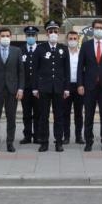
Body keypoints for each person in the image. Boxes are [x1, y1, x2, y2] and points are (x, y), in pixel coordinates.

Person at [32, 20, 70, 152]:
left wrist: (66, 88)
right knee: (44, 116)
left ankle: (58, 142)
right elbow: (35, 70)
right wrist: (35, 88)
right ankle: (44, 142)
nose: (53, 33)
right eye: (50, 31)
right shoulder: (40, 48)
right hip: (44, 88)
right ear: (47, 33)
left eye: (55, 31)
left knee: (59, 116)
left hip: (59, 88)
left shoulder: (63, 49)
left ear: (58, 33)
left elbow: (67, 70)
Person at [78, 18, 102, 152]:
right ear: (92, 30)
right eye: (96, 28)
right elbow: (81, 67)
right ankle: (88, 142)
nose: (99, 30)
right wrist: (80, 84)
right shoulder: (86, 45)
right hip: (89, 86)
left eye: (101, 28)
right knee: (88, 115)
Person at [19, 25, 40, 144]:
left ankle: (37, 135)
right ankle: (27, 135)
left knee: (38, 113)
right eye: (28, 35)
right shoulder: (20, 50)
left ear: (36, 36)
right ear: (25, 36)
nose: (30, 37)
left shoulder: (41, 49)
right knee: (26, 113)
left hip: (37, 88)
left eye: (32, 35)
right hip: (25, 87)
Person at [64, 29, 84, 145]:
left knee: (78, 113)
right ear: (67, 40)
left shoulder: (81, 53)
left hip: (79, 86)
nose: (72, 41)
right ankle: (66, 136)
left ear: (78, 40)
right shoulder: (63, 53)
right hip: (66, 86)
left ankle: (78, 136)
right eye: (70, 39)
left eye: (74, 39)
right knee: (65, 113)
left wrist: (82, 85)